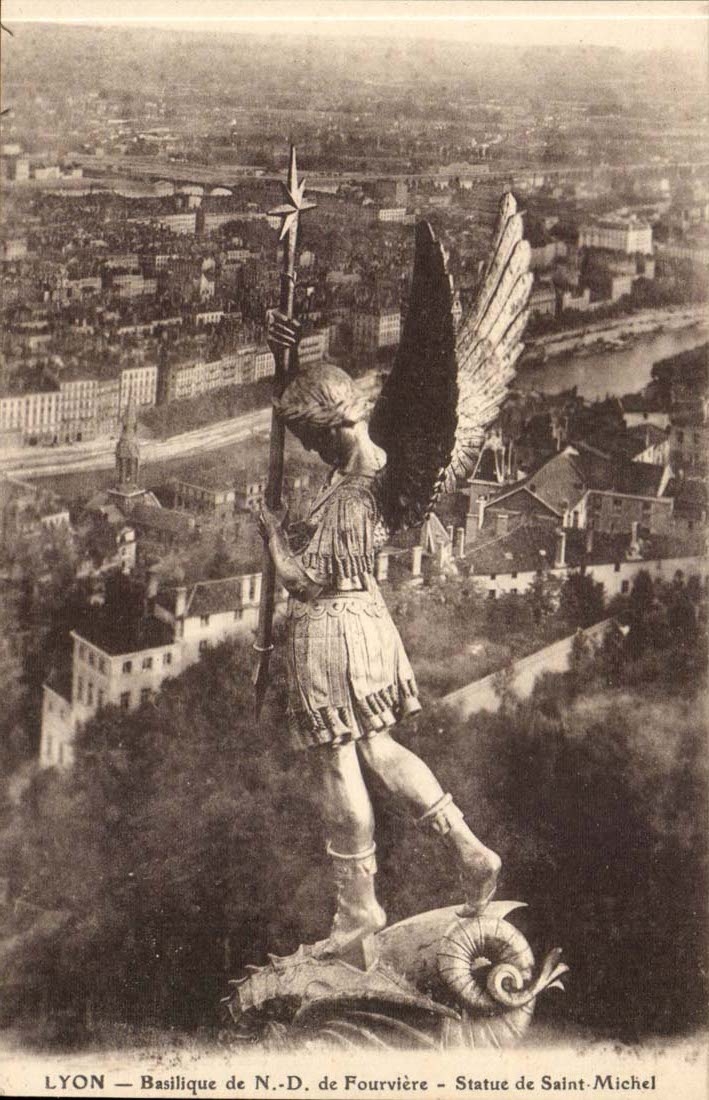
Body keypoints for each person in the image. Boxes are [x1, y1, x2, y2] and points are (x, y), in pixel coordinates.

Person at [259, 362, 500, 959]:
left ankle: (358, 909)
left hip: (331, 629)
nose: (310, 449)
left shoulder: (352, 492)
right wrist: (284, 360)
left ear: (328, 424)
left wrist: (271, 536)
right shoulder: (379, 465)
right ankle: (469, 849)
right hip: (368, 622)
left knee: (340, 762)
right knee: (379, 747)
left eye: (311, 436)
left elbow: (306, 583)